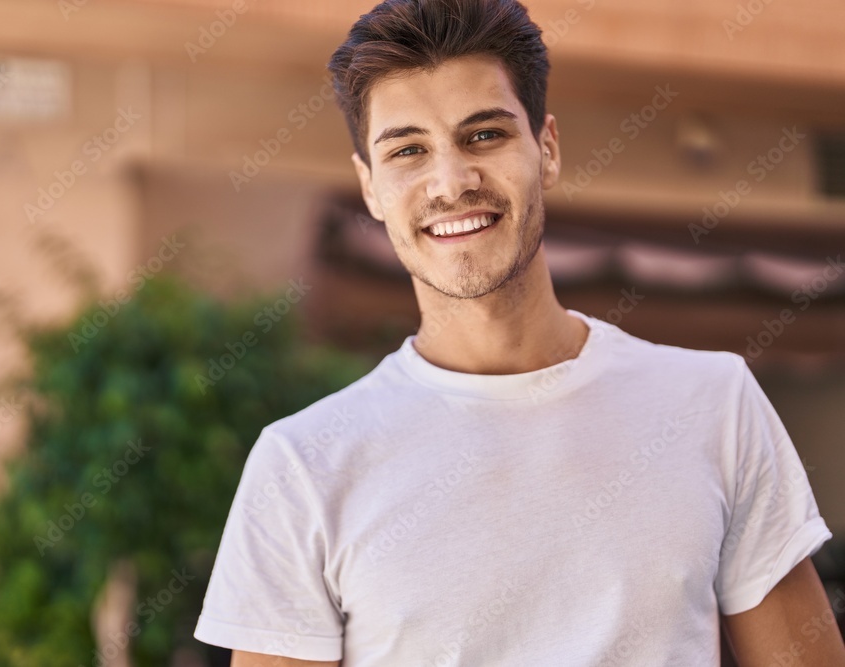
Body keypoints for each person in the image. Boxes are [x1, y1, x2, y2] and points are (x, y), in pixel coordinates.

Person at [193, 1, 845, 665]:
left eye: (484, 136)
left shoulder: (715, 404)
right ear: (370, 187)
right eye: (408, 150)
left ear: (548, 149)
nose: (452, 181)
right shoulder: (303, 466)